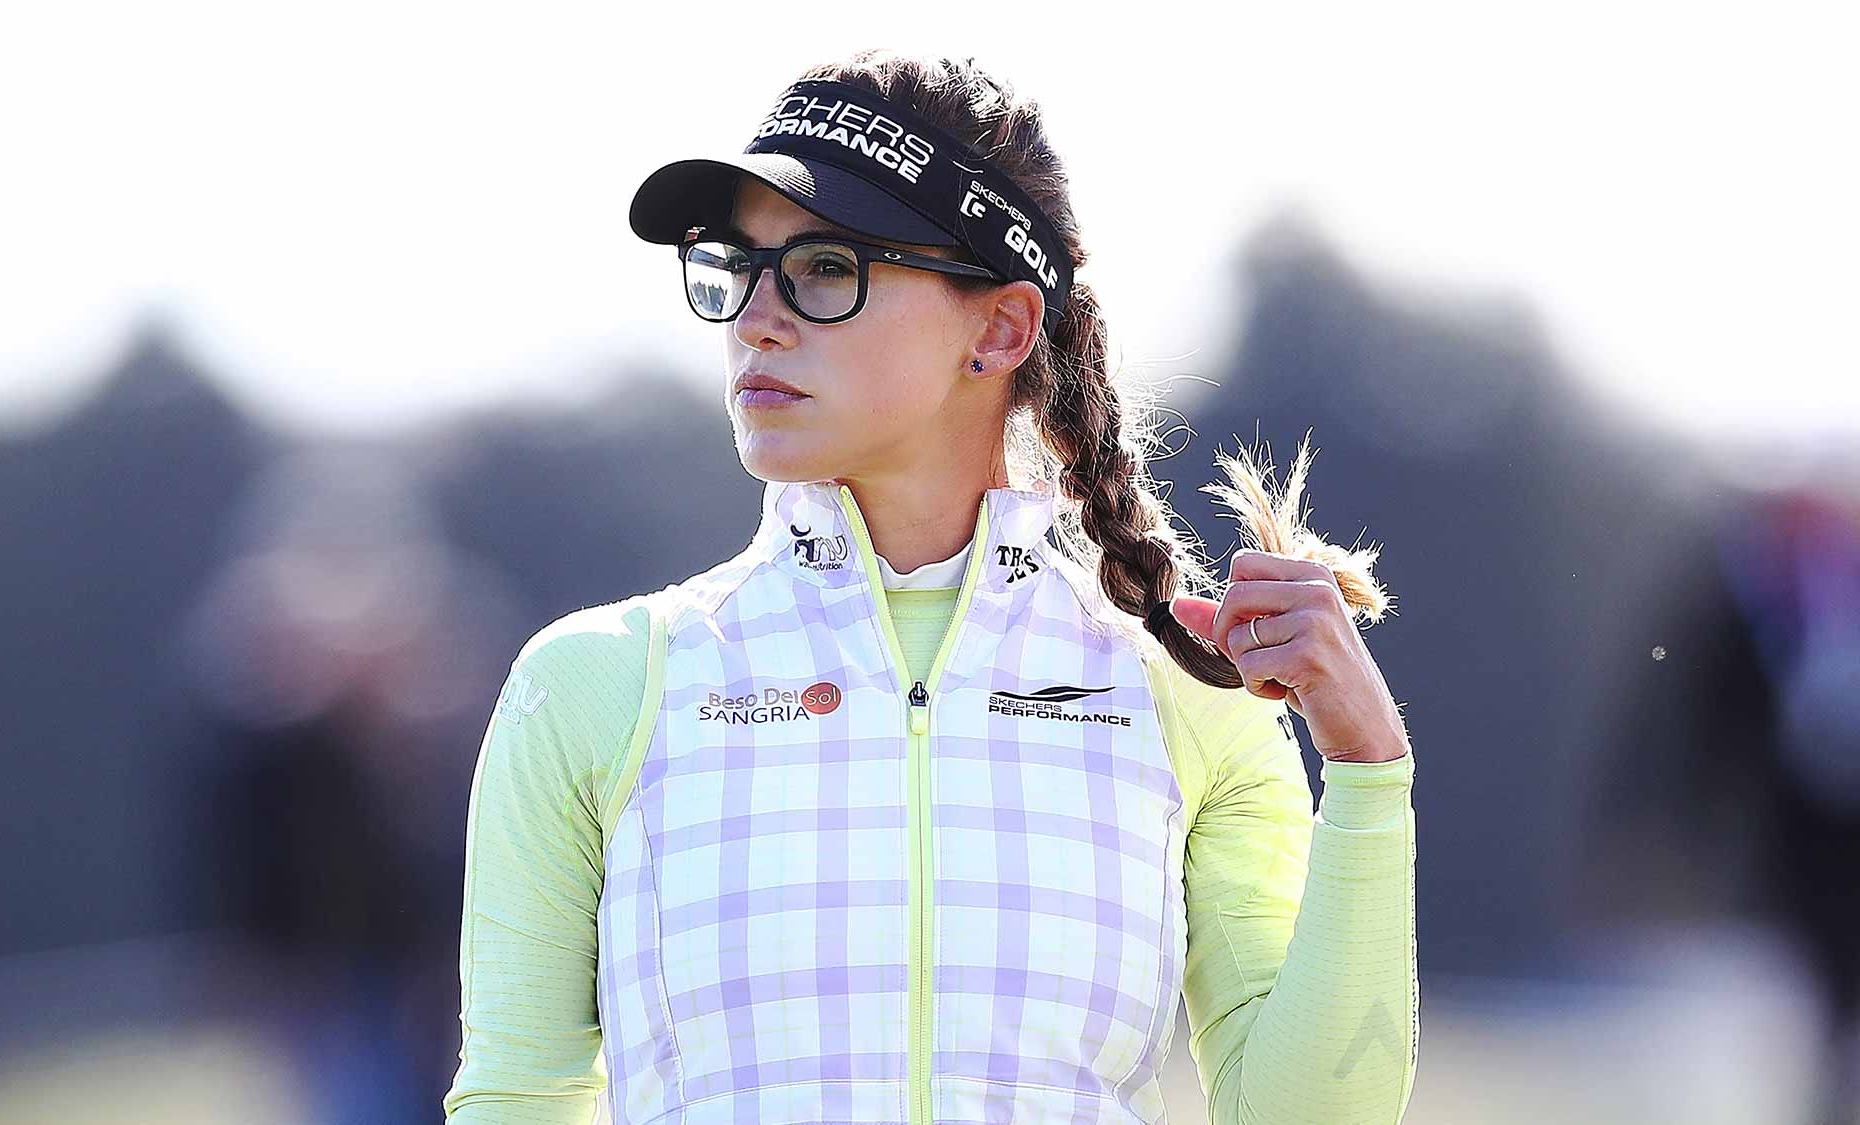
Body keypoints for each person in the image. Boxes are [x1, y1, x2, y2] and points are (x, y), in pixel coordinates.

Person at [445, 50, 1418, 1125]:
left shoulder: (1183, 696)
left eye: (822, 268)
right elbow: (516, 1098)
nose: (754, 317)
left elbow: (1309, 1116)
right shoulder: (594, 684)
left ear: (998, 329)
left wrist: (1368, 773)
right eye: (736, 265)